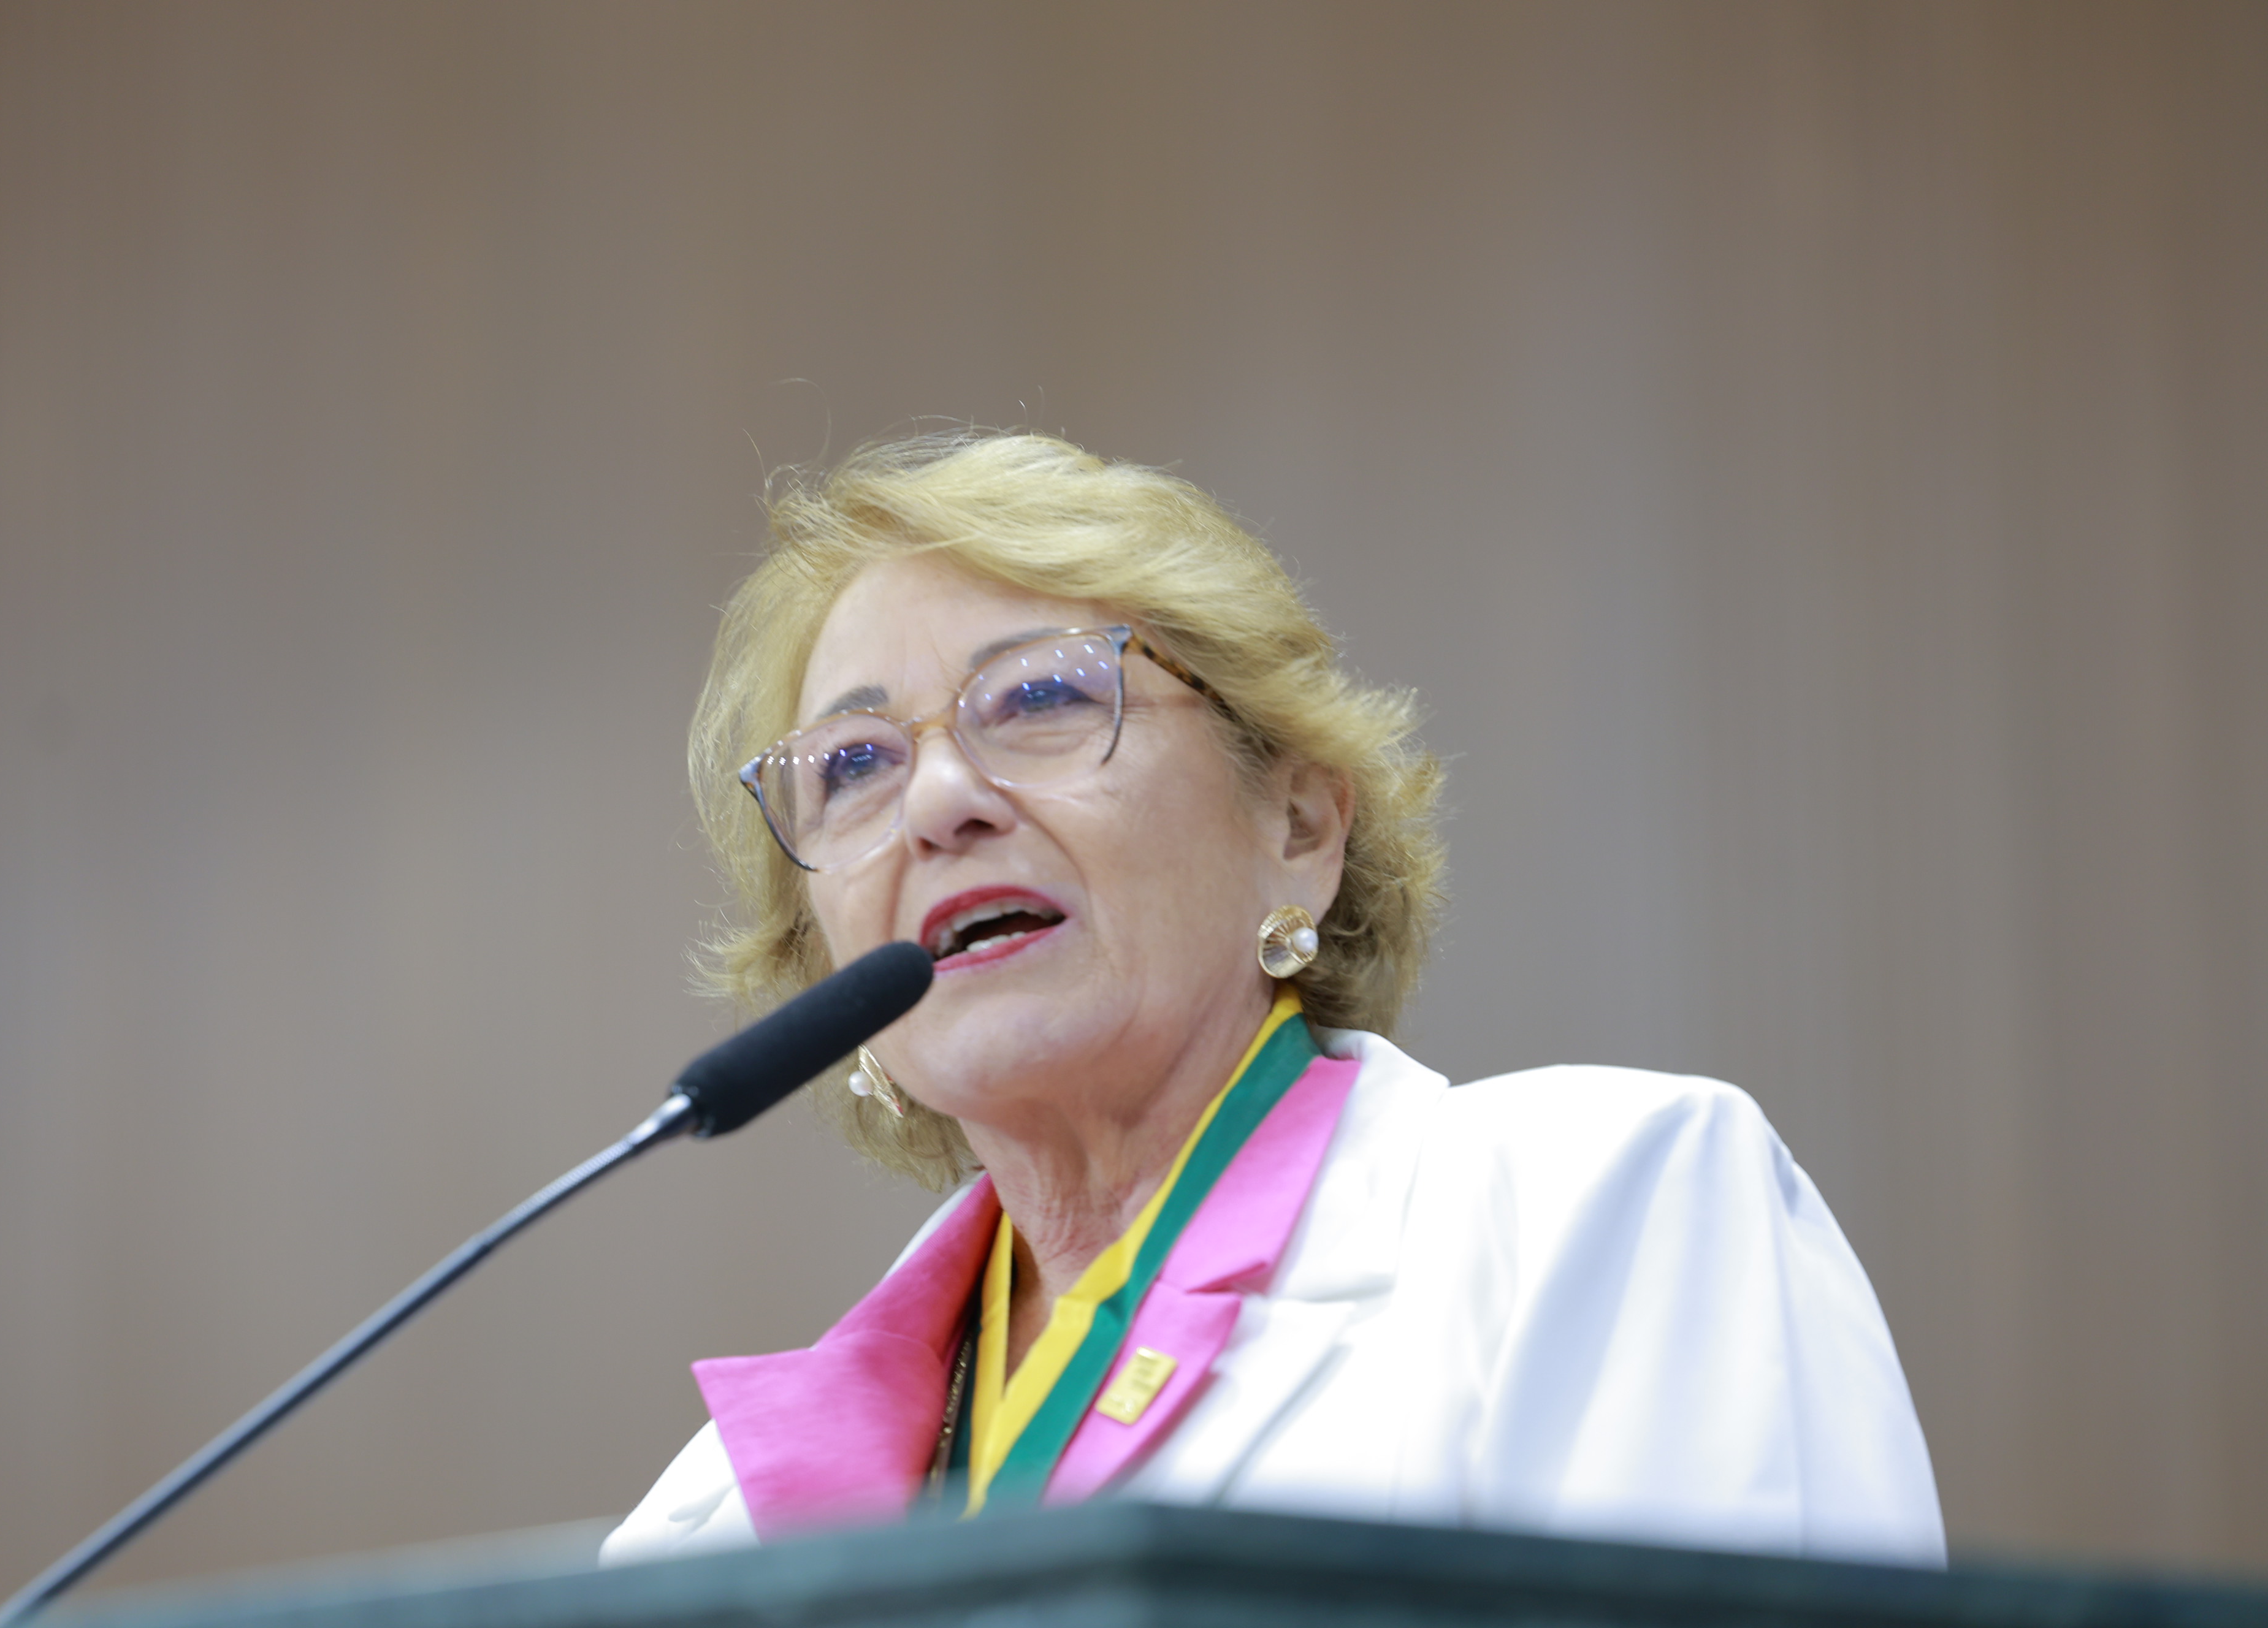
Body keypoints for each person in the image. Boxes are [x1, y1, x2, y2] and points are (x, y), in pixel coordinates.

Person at [601, 432, 1944, 1566]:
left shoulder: (1609, 1218)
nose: (941, 801)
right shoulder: (701, 1528)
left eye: (1042, 697)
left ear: (1297, 823)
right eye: (852, 766)